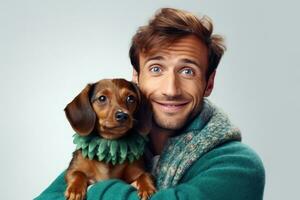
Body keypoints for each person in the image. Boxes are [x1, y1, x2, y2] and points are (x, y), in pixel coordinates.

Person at [35, 8, 265, 200]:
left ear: (208, 83)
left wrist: (95, 189)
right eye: (156, 69)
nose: (170, 90)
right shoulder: (110, 146)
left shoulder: (239, 165)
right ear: (136, 78)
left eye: (187, 71)